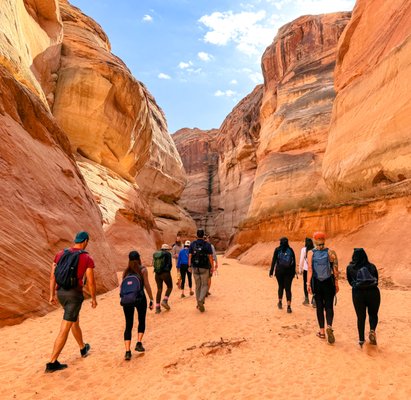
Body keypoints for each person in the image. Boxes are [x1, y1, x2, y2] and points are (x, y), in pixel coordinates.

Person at [46, 231, 97, 373]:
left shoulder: (60, 254)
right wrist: (93, 298)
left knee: (74, 321)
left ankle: (82, 348)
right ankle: (52, 362)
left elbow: (52, 277)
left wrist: (52, 295)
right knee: (65, 327)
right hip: (74, 296)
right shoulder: (86, 258)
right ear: (85, 241)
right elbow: (91, 282)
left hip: (61, 293)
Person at [121, 251, 154, 360]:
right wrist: (151, 299)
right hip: (140, 298)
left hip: (127, 300)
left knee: (128, 324)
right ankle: (139, 343)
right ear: (139, 258)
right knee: (141, 320)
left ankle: (127, 351)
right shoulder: (143, 270)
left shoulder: (125, 272)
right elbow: (147, 285)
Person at [307, 232, 339, 344]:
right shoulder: (331, 252)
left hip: (317, 283)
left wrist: (308, 284)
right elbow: (335, 270)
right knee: (329, 306)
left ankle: (322, 332)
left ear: (315, 240)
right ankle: (329, 325)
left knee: (319, 307)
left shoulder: (310, 253)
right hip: (328, 283)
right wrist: (336, 284)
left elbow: (310, 269)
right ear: (324, 240)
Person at [346, 248, 380, 347]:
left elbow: (350, 282)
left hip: (358, 294)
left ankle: (361, 340)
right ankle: (372, 330)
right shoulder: (372, 266)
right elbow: (376, 279)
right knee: (373, 314)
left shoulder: (350, 268)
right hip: (373, 292)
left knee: (361, 317)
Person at [189, 229, 214, 312]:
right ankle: (201, 300)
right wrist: (212, 267)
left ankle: (198, 302)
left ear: (197, 235)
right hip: (204, 267)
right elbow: (210, 257)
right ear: (203, 236)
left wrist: (189, 266)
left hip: (195, 267)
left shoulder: (192, 244)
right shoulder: (207, 244)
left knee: (197, 286)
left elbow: (190, 256)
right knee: (205, 285)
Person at [269, 237, 296, 313]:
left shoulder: (277, 250)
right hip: (289, 272)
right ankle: (289, 306)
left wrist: (271, 271)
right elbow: (294, 262)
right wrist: (293, 272)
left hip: (279, 271)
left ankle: (280, 302)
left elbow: (274, 261)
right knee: (288, 289)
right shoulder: (290, 250)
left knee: (280, 286)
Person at [153, 244, 173, 314]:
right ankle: (165, 300)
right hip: (165, 273)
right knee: (170, 287)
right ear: (167, 249)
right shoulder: (168, 254)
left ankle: (157, 308)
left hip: (157, 274)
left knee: (159, 289)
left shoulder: (156, 254)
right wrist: (167, 271)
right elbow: (170, 264)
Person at [298, 237, 315, 306]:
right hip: (313, 269)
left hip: (306, 269)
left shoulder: (304, 249)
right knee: (313, 283)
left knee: (305, 283)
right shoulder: (314, 249)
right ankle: (314, 300)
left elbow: (301, 259)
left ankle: (306, 299)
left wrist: (300, 269)